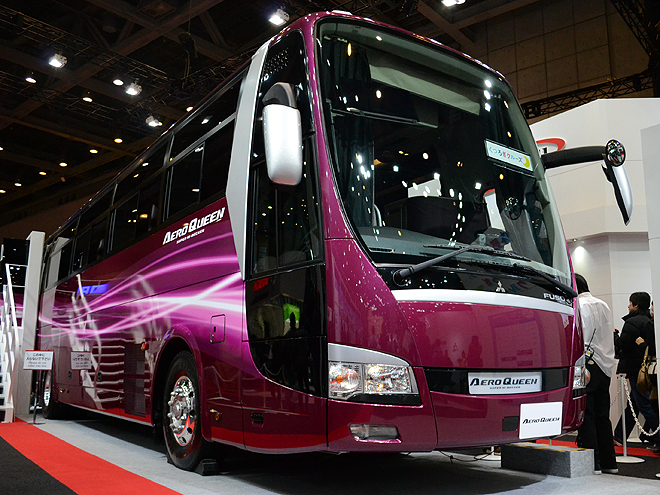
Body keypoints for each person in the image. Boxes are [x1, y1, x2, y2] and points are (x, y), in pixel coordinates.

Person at [574, 274, 618, 474]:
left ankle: (594, 462)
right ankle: (609, 462)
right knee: (603, 416)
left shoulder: (579, 306)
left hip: (587, 366)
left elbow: (580, 337)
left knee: (587, 415)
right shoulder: (604, 305)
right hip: (605, 366)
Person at [613, 291, 660, 451]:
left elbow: (623, 344)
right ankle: (619, 436)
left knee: (642, 405)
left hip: (636, 370)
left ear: (636, 305)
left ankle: (658, 437)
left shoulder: (632, 322)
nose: (628, 306)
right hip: (644, 369)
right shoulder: (648, 321)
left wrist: (614, 336)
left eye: (630, 303)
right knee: (634, 405)